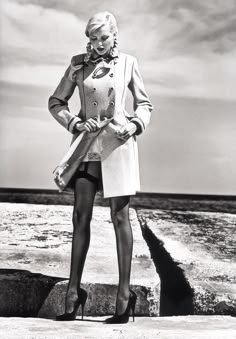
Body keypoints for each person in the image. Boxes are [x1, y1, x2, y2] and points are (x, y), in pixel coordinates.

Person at [48, 11, 153, 324]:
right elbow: (56, 102)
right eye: (93, 38)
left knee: (120, 216)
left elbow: (145, 104)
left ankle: (124, 297)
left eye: (104, 37)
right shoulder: (78, 64)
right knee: (80, 216)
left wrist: (134, 125)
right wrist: (77, 122)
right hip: (86, 147)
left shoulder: (129, 63)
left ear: (114, 36)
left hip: (118, 145)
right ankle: (72, 293)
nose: (98, 44)